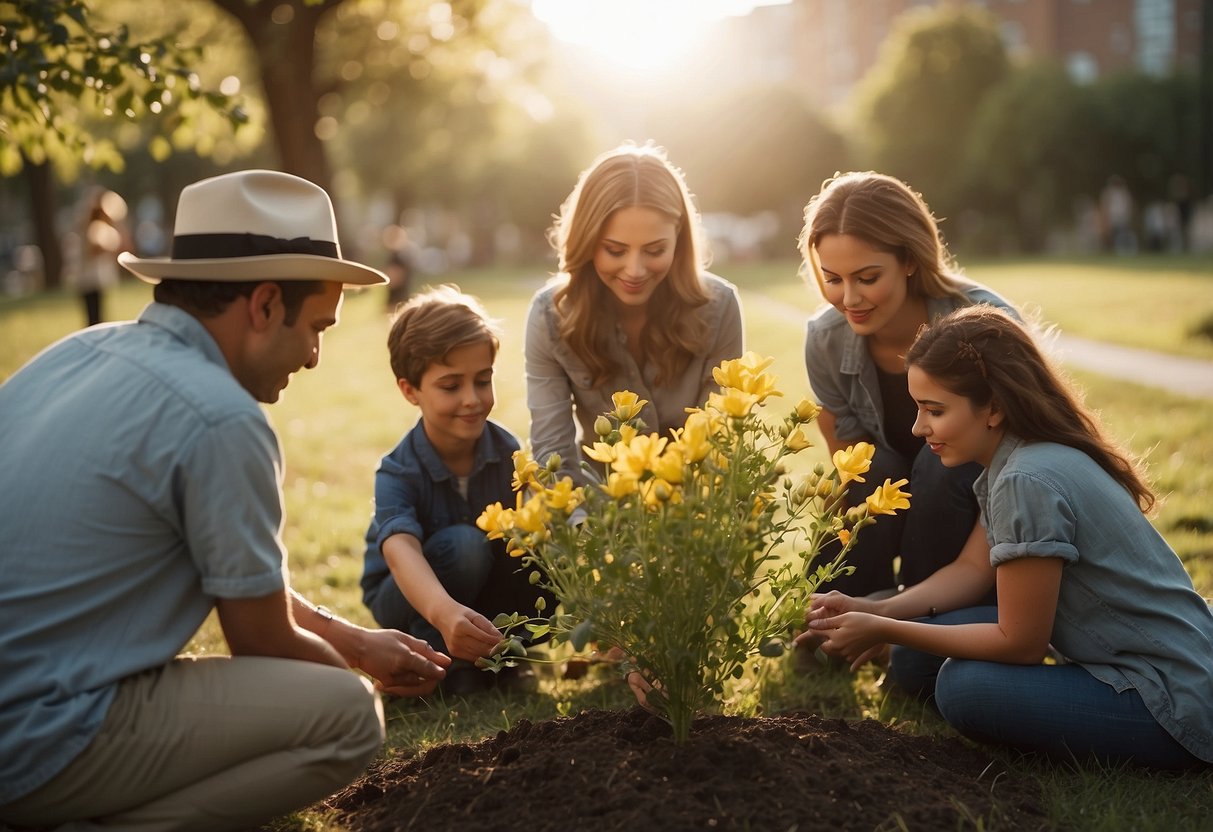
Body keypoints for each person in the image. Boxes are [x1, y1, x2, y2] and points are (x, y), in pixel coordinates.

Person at [0, 169, 451, 832]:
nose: (316, 355)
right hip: (39, 737)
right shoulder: (220, 418)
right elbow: (260, 638)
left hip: (26, 699)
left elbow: (231, 574)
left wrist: (353, 640)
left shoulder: (76, 354)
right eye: (316, 327)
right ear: (264, 305)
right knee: (348, 717)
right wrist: (353, 681)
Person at [801, 306, 1213, 770]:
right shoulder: (1022, 457)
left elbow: (1020, 642)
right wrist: (875, 609)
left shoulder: (1027, 480)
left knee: (964, 687)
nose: (919, 427)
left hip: (1170, 701)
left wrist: (885, 629)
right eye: (918, 407)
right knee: (916, 660)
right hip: (1152, 661)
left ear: (993, 406)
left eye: (934, 410)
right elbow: (972, 570)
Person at [799, 171, 1019, 601]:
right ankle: (837, 625)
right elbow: (852, 483)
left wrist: (917, 603)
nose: (849, 299)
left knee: (938, 468)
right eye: (833, 278)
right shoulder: (825, 340)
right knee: (866, 466)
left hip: (981, 515)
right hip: (894, 508)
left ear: (910, 260)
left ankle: (918, 629)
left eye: (867, 278)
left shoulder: (986, 324)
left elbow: (1018, 475)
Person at [361, 285, 549, 695]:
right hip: (408, 595)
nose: (472, 399)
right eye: (451, 386)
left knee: (537, 549)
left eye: (482, 381)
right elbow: (399, 549)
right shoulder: (399, 469)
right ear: (410, 390)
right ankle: (432, 660)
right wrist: (444, 614)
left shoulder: (507, 451)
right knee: (464, 547)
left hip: (478, 586)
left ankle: (499, 656)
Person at [525, 142, 744, 485]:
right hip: (598, 509)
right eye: (615, 250)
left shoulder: (719, 306)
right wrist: (588, 531)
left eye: (655, 250)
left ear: (679, 239)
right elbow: (553, 457)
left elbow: (719, 443)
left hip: (691, 508)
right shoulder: (549, 317)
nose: (634, 270)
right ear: (587, 242)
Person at [74, 188, 130, 326]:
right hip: (90, 281)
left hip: (94, 281)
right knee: (94, 318)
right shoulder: (95, 228)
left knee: (96, 316)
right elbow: (96, 249)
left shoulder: (95, 227)